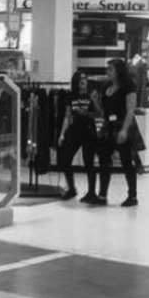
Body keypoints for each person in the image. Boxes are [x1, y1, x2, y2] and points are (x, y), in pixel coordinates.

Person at [96, 59, 139, 207]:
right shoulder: (106, 86)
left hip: (122, 126)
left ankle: (132, 196)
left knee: (126, 162)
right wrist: (96, 102)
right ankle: (102, 195)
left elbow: (130, 110)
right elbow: (104, 111)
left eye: (110, 69)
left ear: (118, 71)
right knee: (104, 162)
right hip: (108, 127)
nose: (107, 72)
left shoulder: (128, 86)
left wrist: (124, 130)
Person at [58, 71, 103, 204]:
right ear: (76, 81)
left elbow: (100, 114)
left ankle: (91, 192)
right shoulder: (71, 96)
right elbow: (67, 116)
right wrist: (62, 133)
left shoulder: (92, 95)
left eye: (85, 78)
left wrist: (89, 111)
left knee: (89, 162)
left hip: (89, 131)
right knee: (65, 159)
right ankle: (71, 188)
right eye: (81, 78)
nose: (83, 80)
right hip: (74, 130)